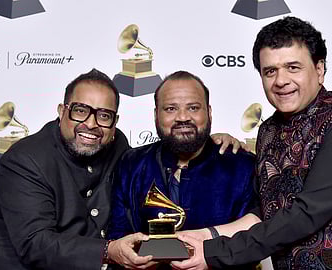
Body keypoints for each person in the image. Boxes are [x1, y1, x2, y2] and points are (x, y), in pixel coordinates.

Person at [172, 16, 332, 270]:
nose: (280, 81)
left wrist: (215, 253)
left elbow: (304, 215)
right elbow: (267, 213)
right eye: (270, 71)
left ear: (319, 69)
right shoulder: (268, 131)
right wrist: (207, 236)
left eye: (293, 67)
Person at [0, 69, 241, 270]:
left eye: (103, 115)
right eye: (80, 111)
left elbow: (158, 156)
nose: (91, 124)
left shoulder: (118, 143)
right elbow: (35, 243)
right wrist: (108, 251)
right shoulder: (24, 160)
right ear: (61, 111)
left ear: (114, 123)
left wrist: (207, 140)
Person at [106, 71, 256, 269]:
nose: (183, 117)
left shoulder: (243, 166)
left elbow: (253, 243)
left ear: (209, 112)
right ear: (155, 115)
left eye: (193, 108)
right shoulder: (131, 163)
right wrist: (129, 256)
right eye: (170, 109)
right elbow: (118, 232)